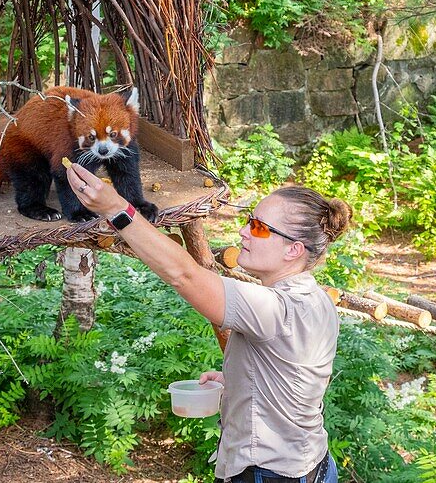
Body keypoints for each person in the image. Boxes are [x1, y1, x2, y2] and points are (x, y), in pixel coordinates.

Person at [65, 162, 352, 483]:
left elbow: (184, 274)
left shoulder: (275, 307)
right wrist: (241, 382)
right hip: (315, 465)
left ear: (293, 250)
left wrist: (116, 208)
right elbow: (303, 379)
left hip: (271, 473)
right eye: (248, 221)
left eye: (258, 227)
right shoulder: (318, 300)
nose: (243, 231)